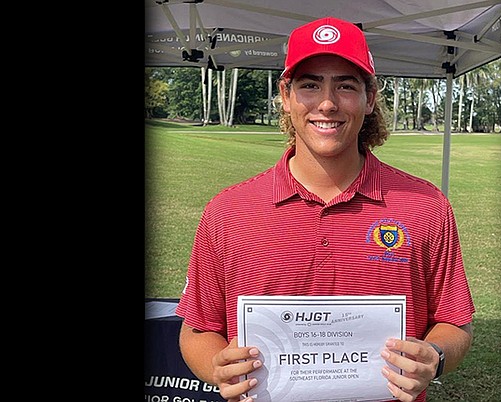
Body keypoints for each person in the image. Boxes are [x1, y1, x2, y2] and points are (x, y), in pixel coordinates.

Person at [175, 16, 475, 402]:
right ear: (286, 95)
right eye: (310, 85)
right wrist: (215, 365)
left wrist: (434, 357)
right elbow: (198, 329)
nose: (328, 103)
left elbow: (456, 323)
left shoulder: (427, 207)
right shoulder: (228, 211)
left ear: (370, 98)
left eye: (346, 86)